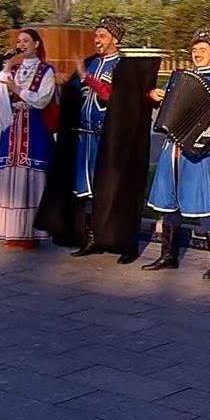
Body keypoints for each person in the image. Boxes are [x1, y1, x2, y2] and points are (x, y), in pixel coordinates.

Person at [143, 28, 210, 280]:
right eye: (195, 50)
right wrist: (153, 95)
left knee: (204, 203)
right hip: (172, 147)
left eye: (203, 50)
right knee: (169, 201)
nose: (197, 54)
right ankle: (168, 255)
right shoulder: (179, 78)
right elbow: (161, 103)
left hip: (198, 151)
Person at [0, 29, 57, 247]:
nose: (22, 45)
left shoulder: (46, 70)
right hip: (13, 127)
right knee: (11, 173)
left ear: (36, 44)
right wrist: (7, 66)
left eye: (26, 41)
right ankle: (11, 230)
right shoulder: (14, 69)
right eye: (19, 41)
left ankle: (31, 232)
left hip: (34, 128)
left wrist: (17, 89)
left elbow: (42, 99)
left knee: (31, 175)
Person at [69, 15, 122, 257]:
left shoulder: (119, 66)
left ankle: (108, 237)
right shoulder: (91, 64)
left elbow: (108, 94)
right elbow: (77, 91)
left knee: (104, 187)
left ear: (115, 39)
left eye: (102, 35)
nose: (97, 40)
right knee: (85, 188)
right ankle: (89, 239)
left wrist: (85, 77)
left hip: (105, 138)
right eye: (96, 35)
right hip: (84, 135)